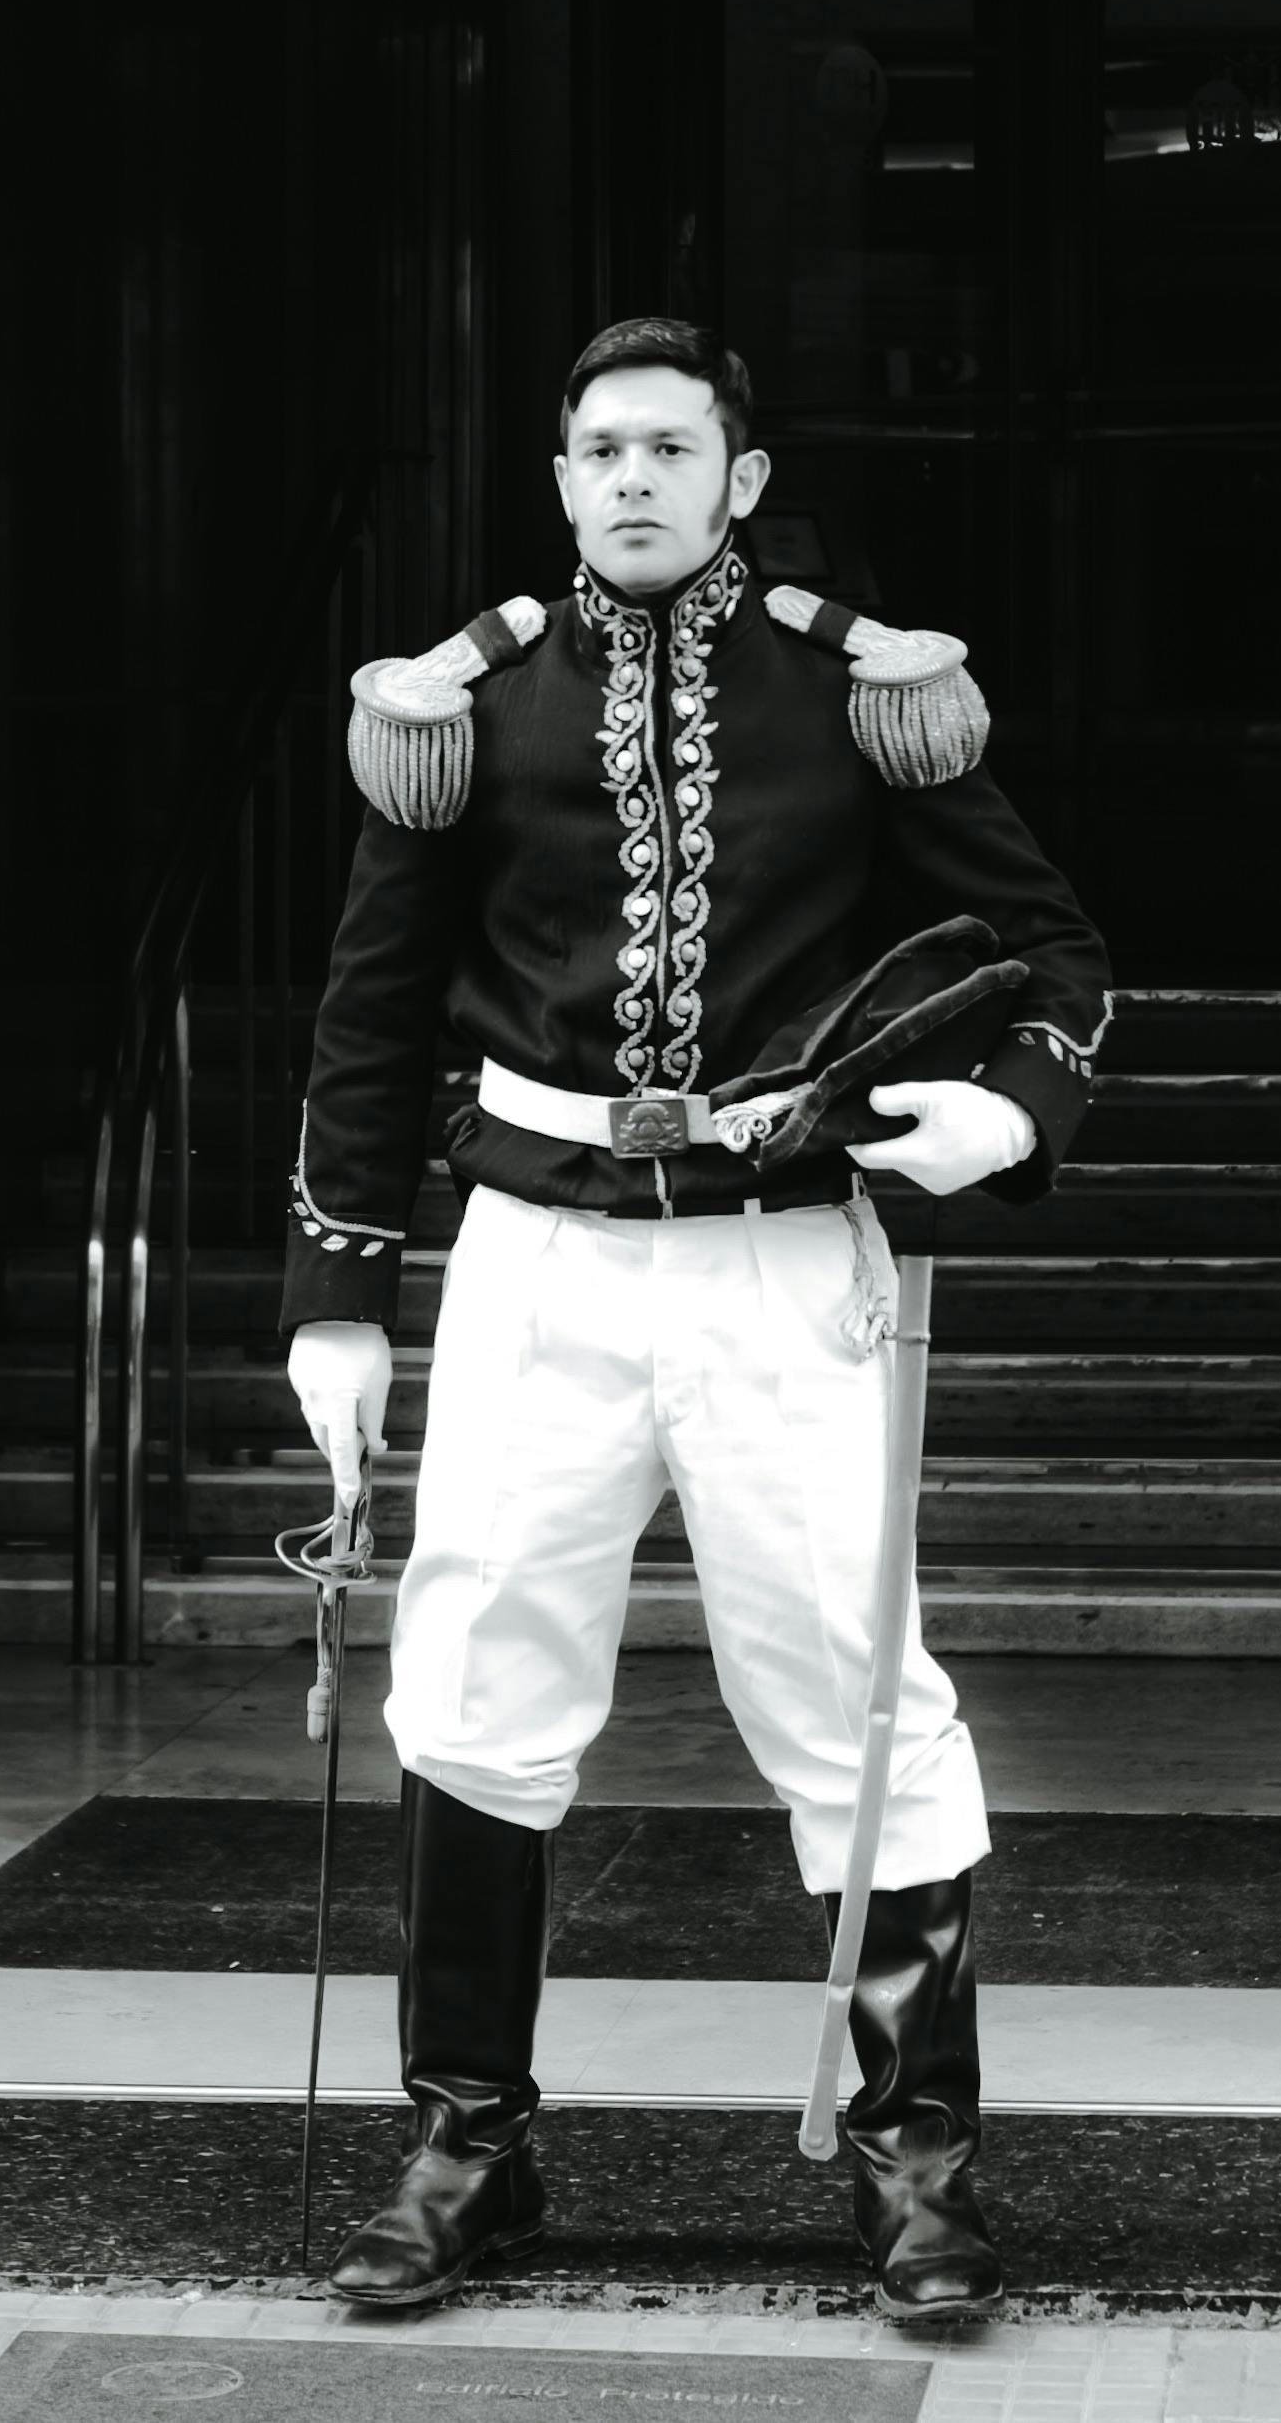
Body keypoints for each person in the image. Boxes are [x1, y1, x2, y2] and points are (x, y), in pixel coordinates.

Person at [284, 317, 1111, 2325]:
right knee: (474, 1674)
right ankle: (467, 2146)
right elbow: (372, 1014)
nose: (630, 478)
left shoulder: (857, 691)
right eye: (596, 450)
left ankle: (915, 2166)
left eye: (670, 446)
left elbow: (1055, 955)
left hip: (770, 1251)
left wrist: (1004, 1104)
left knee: (850, 1685)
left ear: (741, 474)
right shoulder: (459, 700)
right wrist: (336, 1292)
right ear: (559, 479)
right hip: (532, 1254)